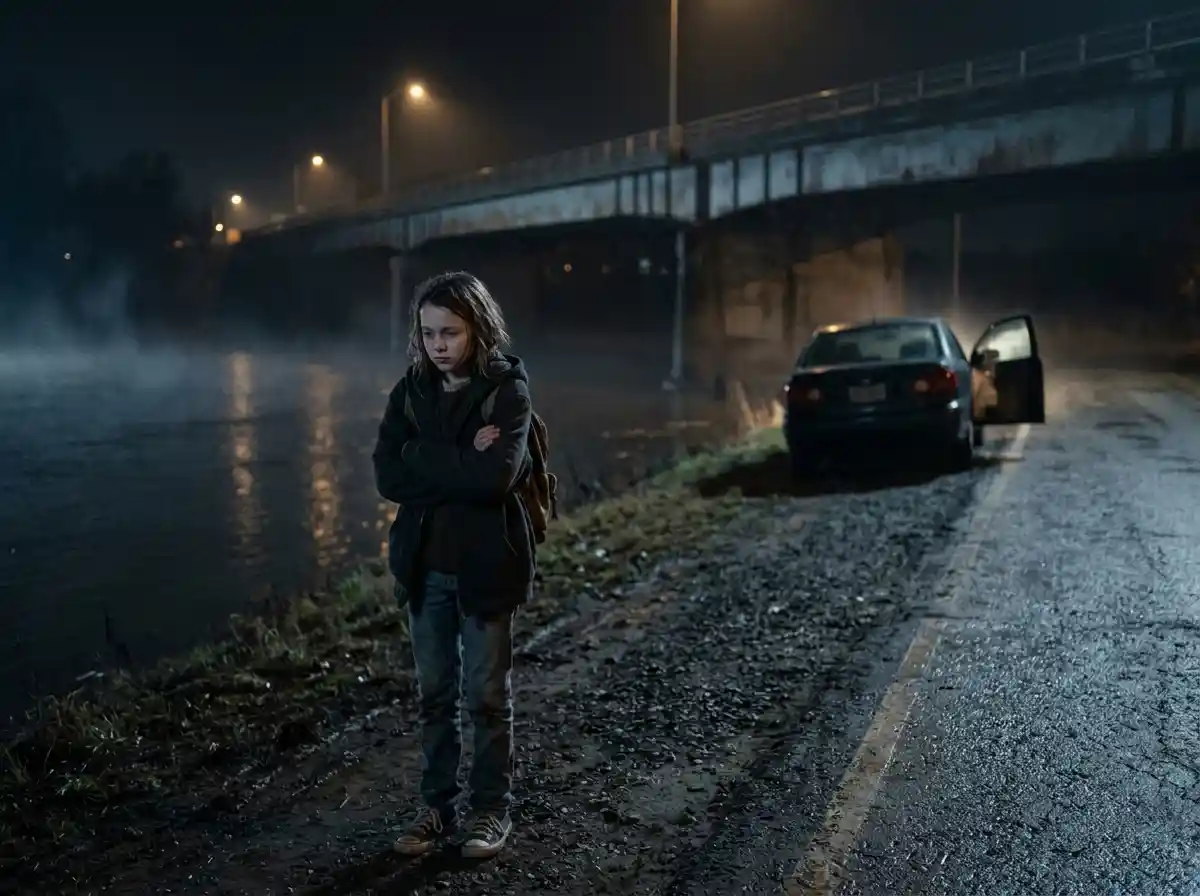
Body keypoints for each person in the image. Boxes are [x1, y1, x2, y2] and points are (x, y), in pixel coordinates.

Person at [371, 270, 535, 859]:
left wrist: (423, 460)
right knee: (435, 697)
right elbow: (387, 474)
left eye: (451, 333)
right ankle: (436, 811)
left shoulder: (506, 390)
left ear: (479, 328)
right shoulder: (410, 391)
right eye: (429, 333)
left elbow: (495, 480)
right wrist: (453, 458)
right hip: (424, 571)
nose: (439, 345)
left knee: (487, 698)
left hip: (487, 568)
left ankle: (490, 812)